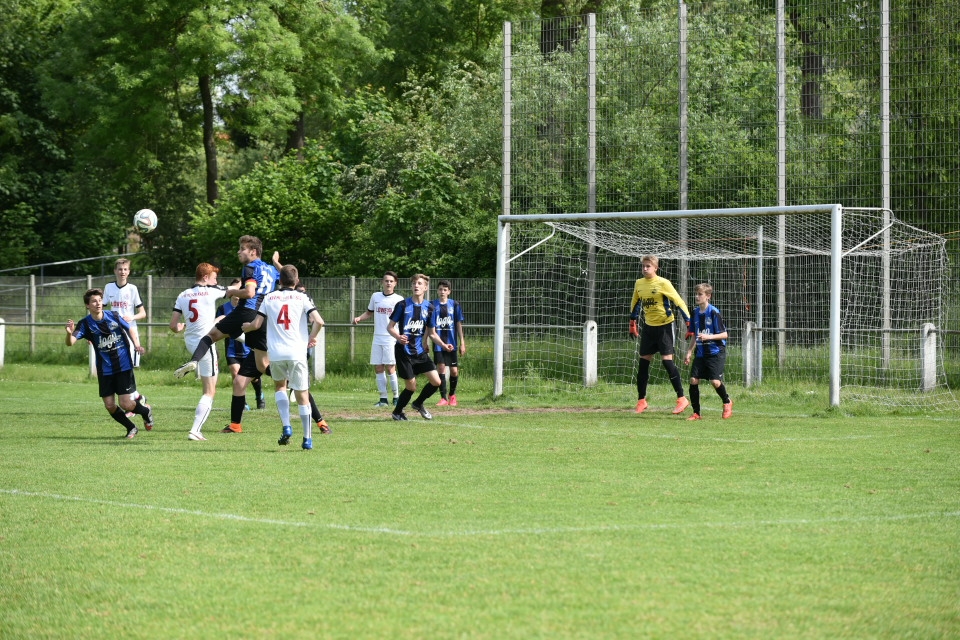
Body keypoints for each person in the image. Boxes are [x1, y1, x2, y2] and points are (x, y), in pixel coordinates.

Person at [174, 235, 276, 434]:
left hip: (247, 311)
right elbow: (289, 278)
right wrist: (277, 262)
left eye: (242, 249)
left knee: (210, 336)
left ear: (253, 252)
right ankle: (236, 424)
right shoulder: (271, 269)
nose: (239, 252)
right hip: (263, 317)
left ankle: (194, 360)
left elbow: (250, 293)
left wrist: (232, 293)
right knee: (261, 366)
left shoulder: (250, 267)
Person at [243, 265, 325, 450]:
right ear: (296, 281)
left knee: (280, 386)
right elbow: (319, 321)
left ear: (279, 281)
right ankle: (307, 438)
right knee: (302, 395)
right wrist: (312, 337)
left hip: (276, 352)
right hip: (297, 352)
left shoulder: (269, 297)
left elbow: (256, 324)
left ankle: (286, 425)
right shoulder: (302, 297)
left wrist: (246, 327)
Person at [64, 288, 154, 438]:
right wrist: (68, 334)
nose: (98, 303)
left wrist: (137, 345)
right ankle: (131, 427)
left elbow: (131, 328)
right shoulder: (85, 324)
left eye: (100, 300)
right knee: (109, 405)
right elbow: (70, 343)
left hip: (123, 365)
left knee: (125, 404)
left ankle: (145, 411)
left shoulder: (114, 316)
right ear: (87, 305)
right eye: (94, 301)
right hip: (104, 369)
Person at [629, 254, 692, 415]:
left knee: (667, 361)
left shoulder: (663, 283)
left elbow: (678, 302)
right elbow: (635, 303)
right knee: (643, 363)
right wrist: (632, 323)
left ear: (656, 268)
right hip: (649, 328)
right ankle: (641, 400)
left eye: (648, 266)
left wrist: (688, 322)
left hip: (665, 326)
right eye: (643, 266)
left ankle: (682, 398)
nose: (645, 269)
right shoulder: (639, 283)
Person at [170, 263, 225, 440]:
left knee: (207, 388)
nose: (216, 282)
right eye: (214, 278)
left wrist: (179, 328)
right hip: (206, 343)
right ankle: (195, 430)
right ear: (205, 277)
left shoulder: (183, 295)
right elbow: (235, 291)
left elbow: (173, 325)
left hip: (190, 342)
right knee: (210, 391)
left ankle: (193, 361)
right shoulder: (211, 291)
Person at [387, 274, 450, 421]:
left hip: (419, 352)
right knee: (411, 386)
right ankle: (397, 412)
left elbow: (432, 333)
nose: (416, 285)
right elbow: (390, 327)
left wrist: (443, 345)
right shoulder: (402, 305)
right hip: (403, 352)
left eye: (420, 283)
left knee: (437, 382)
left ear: (425, 287)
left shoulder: (430, 308)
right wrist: (398, 337)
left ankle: (418, 403)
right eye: (414, 283)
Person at [353, 271, 404, 407]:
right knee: (378, 367)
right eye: (386, 281)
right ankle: (383, 399)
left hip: (391, 338)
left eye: (391, 281)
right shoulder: (375, 296)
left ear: (395, 283)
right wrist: (359, 318)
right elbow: (369, 313)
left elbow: (402, 318)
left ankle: (396, 397)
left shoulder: (399, 299)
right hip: (377, 337)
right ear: (382, 282)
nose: (388, 283)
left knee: (390, 368)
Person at [103, 257, 148, 411]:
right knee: (118, 368)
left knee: (128, 368)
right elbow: (101, 310)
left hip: (129, 333)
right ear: (115, 271)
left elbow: (143, 313)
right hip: (113, 334)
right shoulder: (109, 287)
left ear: (129, 272)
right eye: (120, 269)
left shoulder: (132, 289)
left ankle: (133, 402)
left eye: (125, 269)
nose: (122, 272)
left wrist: (132, 317)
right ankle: (137, 399)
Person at [683, 283, 733, 420]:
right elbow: (695, 334)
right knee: (693, 380)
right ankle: (696, 413)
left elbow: (725, 335)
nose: (696, 297)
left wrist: (709, 337)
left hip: (715, 352)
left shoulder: (714, 312)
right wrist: (689, 352)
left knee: (715, 381)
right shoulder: (694, 313)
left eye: (700, 294)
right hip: (700, 353)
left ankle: (727, 401)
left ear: (708, 296)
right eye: (696, 294)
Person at [217, 278, 265, 410]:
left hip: (248, 347)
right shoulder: (223, 308)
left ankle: (259, 395)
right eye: (235, 289)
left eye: (240, 289)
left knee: (254, 377)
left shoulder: (250, 307)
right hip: (232, 349)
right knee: (235, 373)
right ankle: (242, 402)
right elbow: (218, 326)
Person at [431, 280, 466, 407]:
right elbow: (429, 327)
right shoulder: (432, 305)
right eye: (440, 289)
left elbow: (458, 324)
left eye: (445, 290)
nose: (442, 292)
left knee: (454, 371)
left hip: (452, 343)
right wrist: (425, 341)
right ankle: (443, 398)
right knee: (441, 368)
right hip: (438, 343)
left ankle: (452, 395)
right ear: (437, 291)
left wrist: (462, 343)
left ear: (449, 292)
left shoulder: (454, 305)